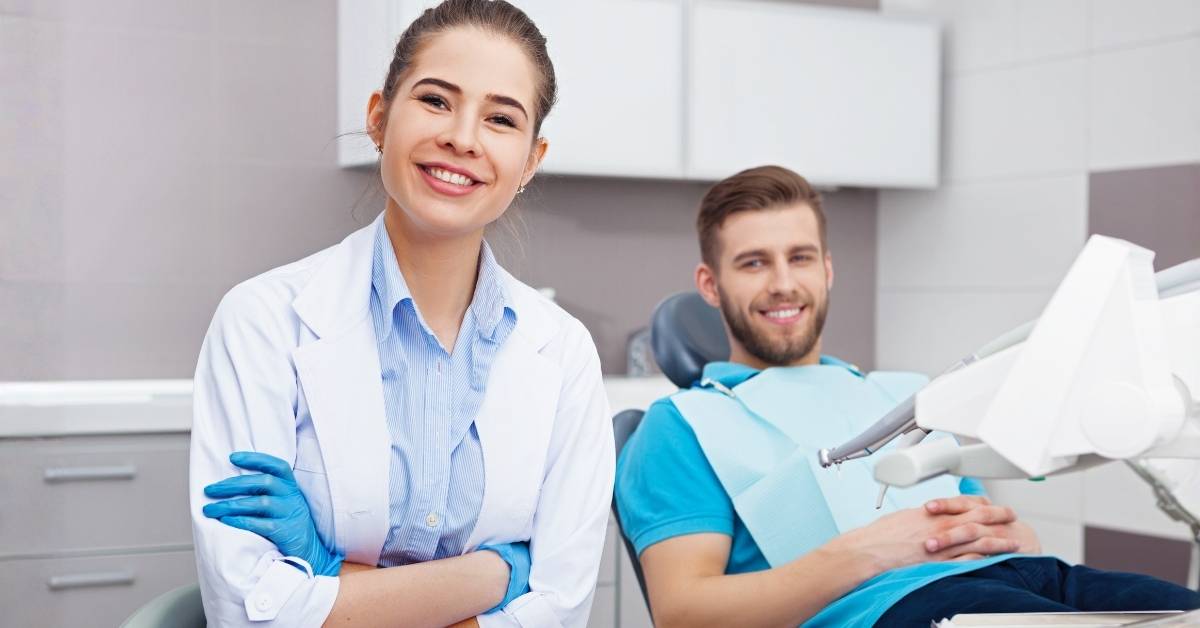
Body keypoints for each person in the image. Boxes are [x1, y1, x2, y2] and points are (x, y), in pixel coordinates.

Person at [614, 165, 1200, 627]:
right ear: (711, 286)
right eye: (753, 263)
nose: (784, 282)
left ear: (827, 270)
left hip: (1037, 577)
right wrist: (866, 552)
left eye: (800, 258)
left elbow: (987, 530)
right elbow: (683, 613)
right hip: (896, 613)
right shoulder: (682, 425)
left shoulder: (906, 395)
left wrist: (1017, 536)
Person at [189, 2, 613, 626]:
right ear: (379, 119)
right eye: (436, 101)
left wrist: (327, 572)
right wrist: (493, 575)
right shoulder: (262, 321)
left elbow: (562, 611)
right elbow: (253, 612)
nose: (463, 138)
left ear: (530, 160)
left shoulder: (564, 353)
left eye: (500, 118)